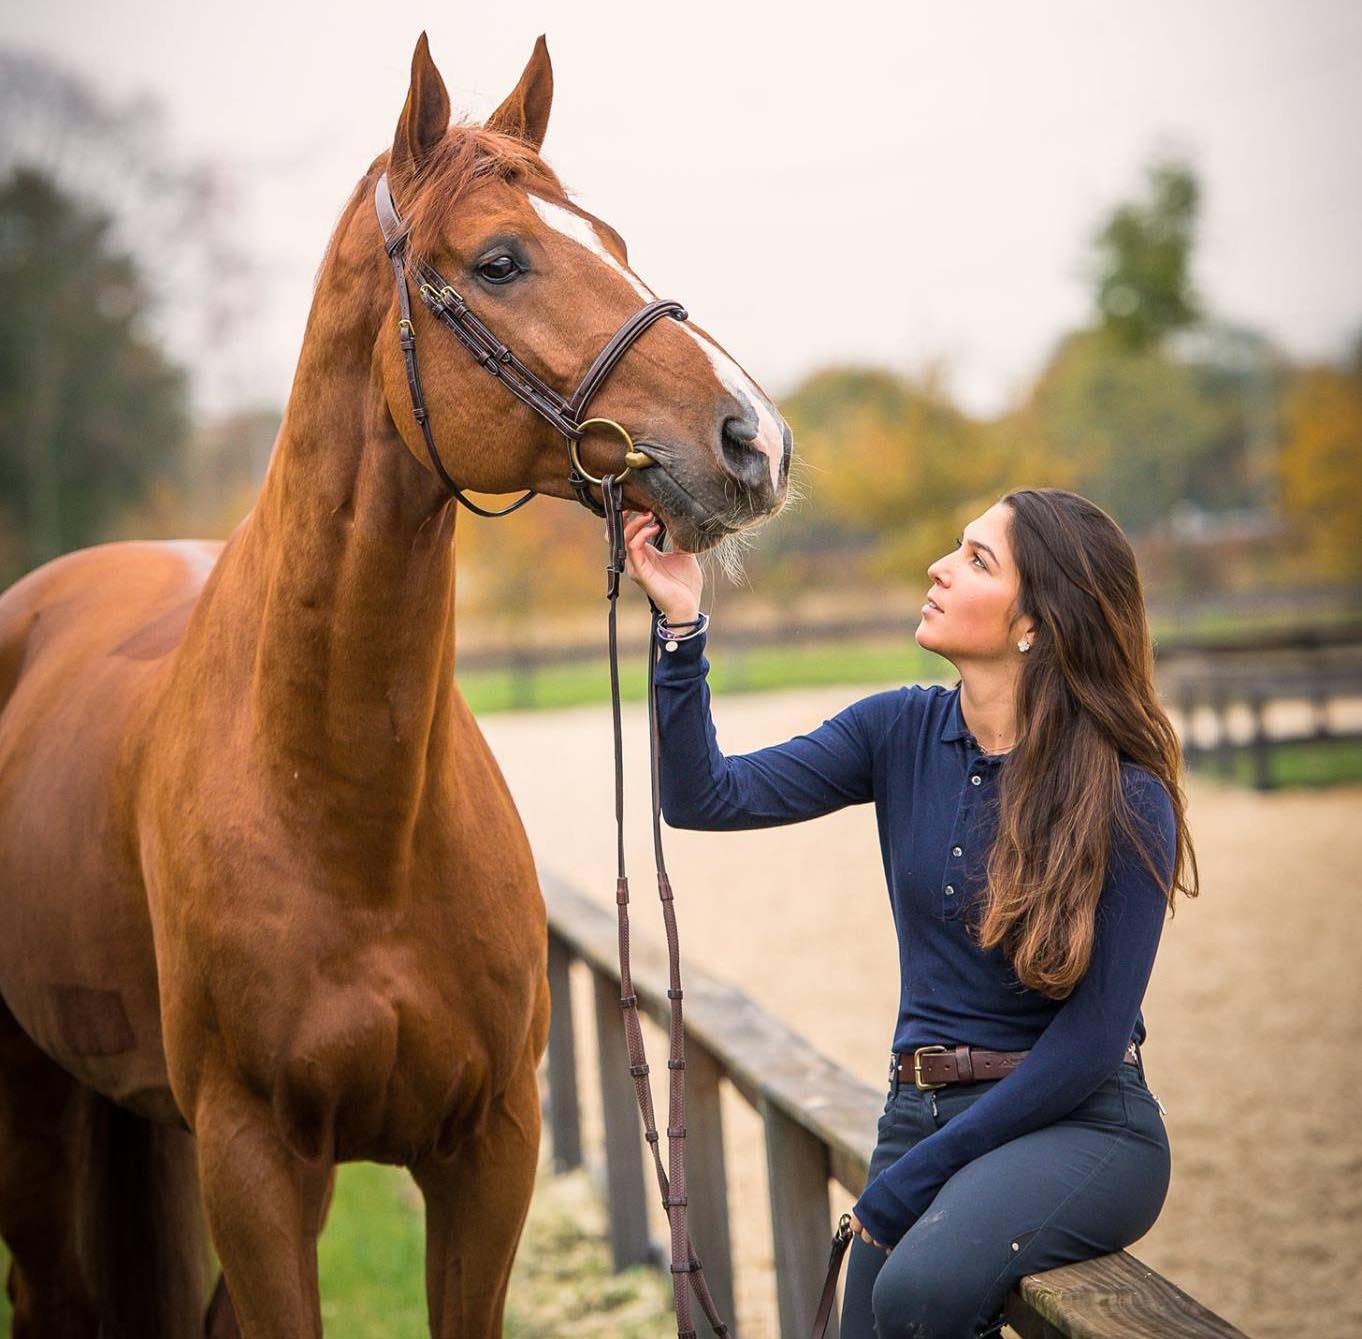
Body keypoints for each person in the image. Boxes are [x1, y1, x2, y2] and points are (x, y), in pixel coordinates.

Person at [620, 486, 1198, 1339]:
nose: (938, 566)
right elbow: (707, 797)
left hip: (1081, 1124)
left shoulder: (1127, 797)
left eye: (976, 559)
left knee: (920, 1292)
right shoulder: (897, 729)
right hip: (919, 1109)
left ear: (1035, 622)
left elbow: (1089, 1042)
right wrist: (680, 626)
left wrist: (921, 1171)